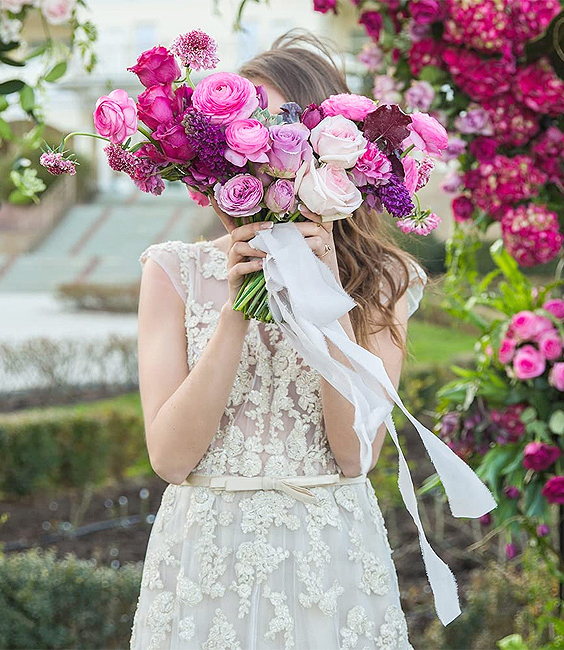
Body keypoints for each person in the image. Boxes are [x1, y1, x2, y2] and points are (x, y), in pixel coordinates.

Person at [129, 30, 427, 650]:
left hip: (329, 553)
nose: (261, 158)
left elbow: (353, 455)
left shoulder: (384, 283)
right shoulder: (172, 271)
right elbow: (171, 459)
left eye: (280, 132)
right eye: (245, 135)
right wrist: (237, 309)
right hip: (206, 555)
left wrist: (323, 297)